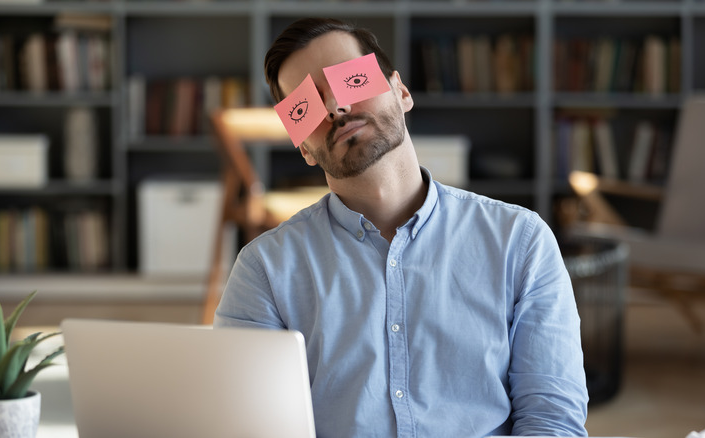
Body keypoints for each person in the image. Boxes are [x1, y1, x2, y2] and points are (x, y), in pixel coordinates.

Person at [214, 17, 589, 437]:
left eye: (349, 79)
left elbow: (552, 420)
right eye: (306, 106)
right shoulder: (264, 270)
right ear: (301, 144)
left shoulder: (521, 242)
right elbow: (245, 426)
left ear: (401, 90)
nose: (336, 107)